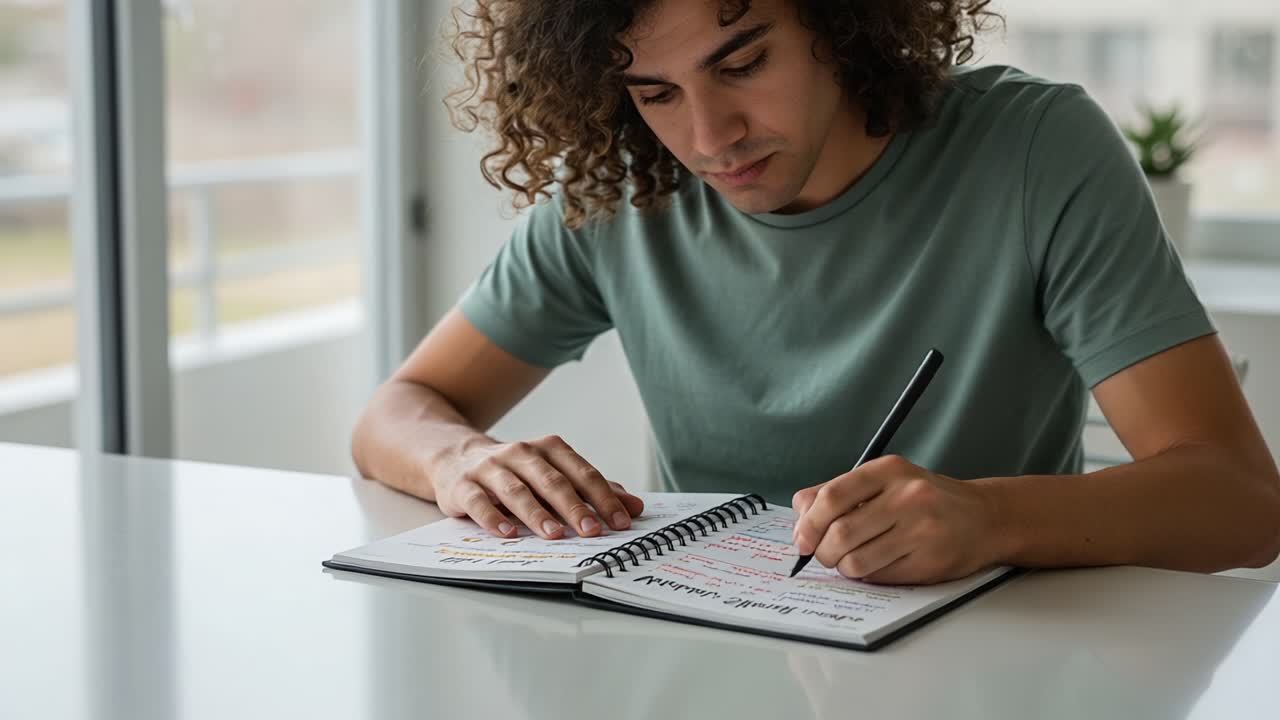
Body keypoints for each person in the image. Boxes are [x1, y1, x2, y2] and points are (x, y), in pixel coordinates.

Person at [351, 0, 1280, 585]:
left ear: (842, 23)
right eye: (654, 92)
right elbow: (397, 412)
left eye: (742, 62)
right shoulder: (618, 192)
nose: (710, 136)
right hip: (703, 651)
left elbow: (1241, 503)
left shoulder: (1035, 152)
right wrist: (454, 461)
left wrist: (992, 519)